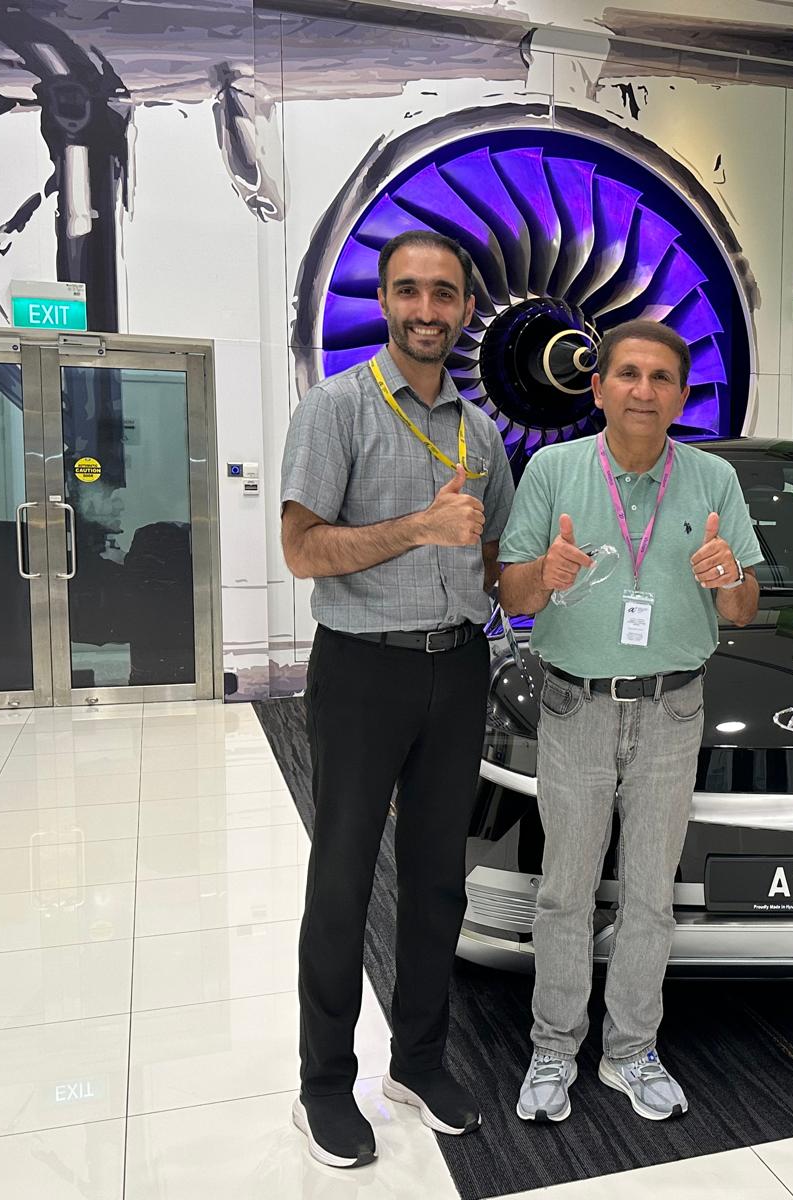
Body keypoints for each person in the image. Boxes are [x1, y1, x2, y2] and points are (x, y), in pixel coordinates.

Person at [280, 229, 515, 1167]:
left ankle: (417, 1061)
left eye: (445, 294)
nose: (427, 309)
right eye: (410, 291)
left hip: (458, 668)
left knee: (438, 882)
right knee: (340, 879)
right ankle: (323, 1086)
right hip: (362, 667)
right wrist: (419, 525)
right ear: (385, 299)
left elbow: (495, 566)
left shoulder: (481, 431)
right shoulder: (336, 409)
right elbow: (303, 550)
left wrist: (556, 579)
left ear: (464, 308)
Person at [497, 319, 761, 1124]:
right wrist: (544, 572)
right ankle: (553, 1046)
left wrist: (726, 579)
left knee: (651, 894)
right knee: (564, 892)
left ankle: (630, 1051)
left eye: (661, 379)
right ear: (597, 386)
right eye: (629, 375)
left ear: (682, 395)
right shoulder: (553, 469)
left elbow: (743, 609)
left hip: (674, 708)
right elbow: (511, 596)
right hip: (575, 702)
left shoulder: (712, 478)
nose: (644, 391)